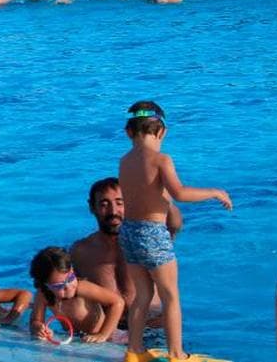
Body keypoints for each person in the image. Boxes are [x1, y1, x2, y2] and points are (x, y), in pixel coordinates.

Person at [118, 101, 232, 361]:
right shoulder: (161, 160)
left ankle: (134, 351)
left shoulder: (124, 161)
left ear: (128, 132)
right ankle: (177, 353)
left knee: (142, 296)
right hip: (153, 233)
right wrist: (214, 192)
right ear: (162, 132)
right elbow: (179, 193)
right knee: (170, 297)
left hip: (129, 232)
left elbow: (145, 193)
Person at [70, 176, 182, 327]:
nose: (113, 211)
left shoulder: (146, 240)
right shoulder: (80, 251)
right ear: (92, 207)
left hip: (152, 326)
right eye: (104, 204)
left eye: (119, 203)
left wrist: (164, 199)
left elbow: (173, 226)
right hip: (110, 329)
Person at [28, 246, 125, 344]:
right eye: (59, 286)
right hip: (77, 337)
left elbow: (117, 302)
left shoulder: (82, 288)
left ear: (72, 270)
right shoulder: (42, 295)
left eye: (70, 278)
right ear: (46, 285)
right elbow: (35, 321)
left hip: (108, 335)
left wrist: (103, 334)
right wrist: (39, 329)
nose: (68, 286)